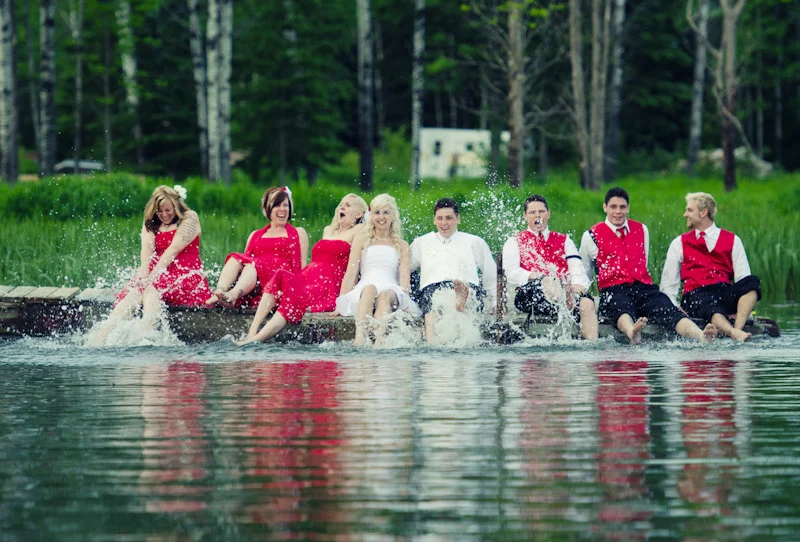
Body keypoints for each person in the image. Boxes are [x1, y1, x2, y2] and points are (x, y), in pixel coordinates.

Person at [578, 187, 716, 344]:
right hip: (613, 289)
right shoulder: (591, 236)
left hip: (643, 288)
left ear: (628, 208)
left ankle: (701, 335)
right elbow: (584, 275)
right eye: (613, 207)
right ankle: (632, 331)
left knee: (667, 307)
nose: (618, 212)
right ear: (605, 207)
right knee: (621, 307)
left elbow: (641, 262)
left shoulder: (641, 229)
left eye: (622, 207)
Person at [87, 185, 212, 345]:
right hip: (158, 271)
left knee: (151, 289)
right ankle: (101, 336)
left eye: (168, 210)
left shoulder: (189, 218)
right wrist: (144, 275)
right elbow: (146, 251)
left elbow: (173, 250)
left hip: (184, 273)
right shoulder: (151, 222)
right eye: (160, 211)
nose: (164, 215)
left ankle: (145, 335)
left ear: (176, 205)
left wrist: (151, 279)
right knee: (134, 293)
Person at [239, 194, 368, 344]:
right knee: (280, 275)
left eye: (348, 205)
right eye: (341, 204)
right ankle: (252, 331)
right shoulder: (328, 230)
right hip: (309, 277)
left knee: (294, 298)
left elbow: (352, 269)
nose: (342, 207)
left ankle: (256, 340)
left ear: (359, 214)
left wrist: (343, 301)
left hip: (327, 286)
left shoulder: (359, 230)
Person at [660, 192, 761, 341]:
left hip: (723, 292)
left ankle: (738, 328)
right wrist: (675, 307)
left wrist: (740, 305)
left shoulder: (733, 240)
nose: (685, 214)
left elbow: (742, 279)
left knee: (752, 282)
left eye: (689, 210)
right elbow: (668, 284)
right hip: (695, 295)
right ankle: (733, 333)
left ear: (703, 212)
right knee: (708, 303)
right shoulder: (679, 243)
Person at [502, 194, 599, 340]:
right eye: (532, 212)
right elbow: (510, 272)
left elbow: (576, 268)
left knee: (587, 303)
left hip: (563, 290)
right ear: (525, 216)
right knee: (547, 281)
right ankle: (564, 299)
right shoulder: (514, 241)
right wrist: (537, 276)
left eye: (541, 211)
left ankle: (592, 345)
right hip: (530, 293)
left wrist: (578, 285)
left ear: (548, 214)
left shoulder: (564, 240)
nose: (537, 215)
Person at [410, 197, 497, 343]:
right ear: (434, 220)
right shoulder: (421, 243)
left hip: (466, 285)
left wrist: (495, 301)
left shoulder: (474, 242)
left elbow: (490, 274)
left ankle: (461, 299)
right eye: (440, 218)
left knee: (470, 297)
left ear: (458, 219)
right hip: (433, 287)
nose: (444, 223)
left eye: (449, 218)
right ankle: (458, 303)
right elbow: (405, 269)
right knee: (431, 307)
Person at [206, 187, 308, 307]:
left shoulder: (297, 232)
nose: (282, 209)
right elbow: (245, 261)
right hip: (255, 278)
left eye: (285, 205)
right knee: (236, 259)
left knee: (252, 265)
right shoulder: (255, 234)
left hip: (278, 279)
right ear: (267, 209)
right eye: (277, 205)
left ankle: (232, 295)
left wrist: (300, 292)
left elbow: (302, 268)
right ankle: (219, 291)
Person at [335, 193, 417, 346]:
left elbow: (404, 279)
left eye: (386, 212)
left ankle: (379, 342)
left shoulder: (402, 245)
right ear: (371, 216)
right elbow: (351, 273)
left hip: (391, 290)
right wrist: (341, 301)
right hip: (365, 289)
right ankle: (359, 341)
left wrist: (405, 299)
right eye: (377, 212)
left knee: (384, 295)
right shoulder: (361, 240)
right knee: (370, 289)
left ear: (393, 215)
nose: (381, 217)